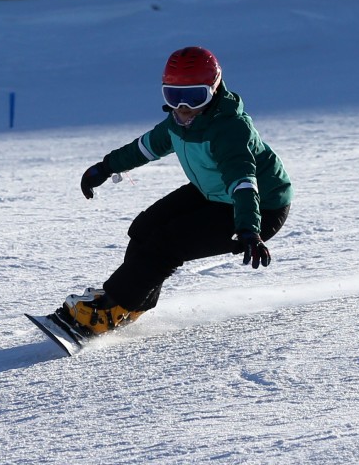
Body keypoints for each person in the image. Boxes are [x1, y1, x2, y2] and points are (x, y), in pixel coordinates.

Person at [50, 46, 293, 338]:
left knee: (168, 244)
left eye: (194, 97)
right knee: (145, 228)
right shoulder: (179, 123)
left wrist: (249, 230)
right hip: (214, 192)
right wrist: (105, 168)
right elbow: (146, 147)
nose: (183, 107)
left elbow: (243, 183)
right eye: (173, 96)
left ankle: (109, 311)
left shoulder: (231, 129)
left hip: (259, 207)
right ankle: (131, 302)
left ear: (214, 90)